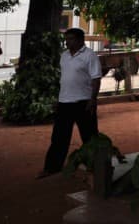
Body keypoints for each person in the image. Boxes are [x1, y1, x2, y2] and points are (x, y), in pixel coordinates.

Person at [37, 28, 103, 179]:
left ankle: (94, 167)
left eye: (71, 39)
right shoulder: (64, 56)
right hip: (64, 102)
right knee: (59, 137)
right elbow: (65, 79)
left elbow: (96, 79)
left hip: (84, 102)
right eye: (66, 39)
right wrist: (58, 98)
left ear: (80, 40)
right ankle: (52, 167)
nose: (67, 42)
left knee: (89, 137)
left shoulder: (89, 55)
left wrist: (93, 99)